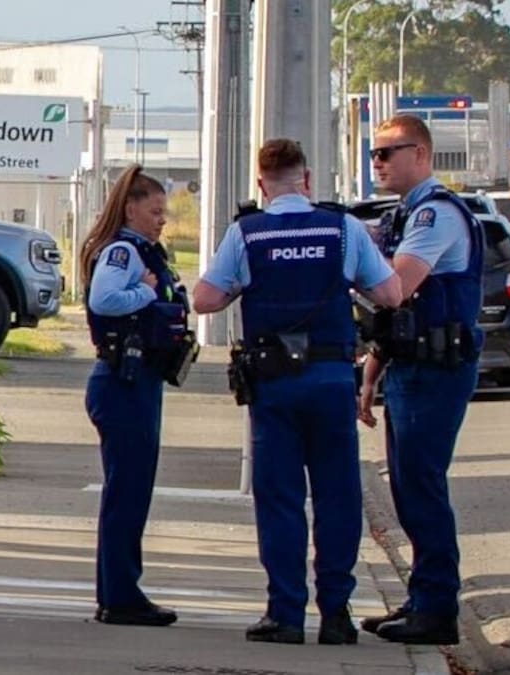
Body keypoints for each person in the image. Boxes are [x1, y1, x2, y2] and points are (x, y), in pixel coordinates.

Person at [193, 138, 402, 645]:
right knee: (337, 497)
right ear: (306, 180)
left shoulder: (247, 233)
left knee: (280, 500)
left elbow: (205, 299)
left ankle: (285, 614)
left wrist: (246, 284)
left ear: (261, 185)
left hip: (274, 387)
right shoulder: (341, 227)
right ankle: (336, 614)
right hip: (330, 381)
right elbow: (391, 293)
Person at [356, 114, 484, 646]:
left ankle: (436, 608)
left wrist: (351, 256)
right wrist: (371, 374)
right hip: (410, 365)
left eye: (388, 152)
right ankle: (421, 597)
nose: (378, 162)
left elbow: (397, 286)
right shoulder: (407, 214)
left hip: (436, 369)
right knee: (408, 488)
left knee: (421, 486)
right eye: (374, 153)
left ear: (422, 154)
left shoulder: (436, 215)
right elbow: (395, 316)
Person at [79, 164, 190, 627]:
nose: (162, 220)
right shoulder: (124, 252)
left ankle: (118, 592)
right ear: (130, 209)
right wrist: (146, 293)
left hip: (138, 381)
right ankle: (121, 596)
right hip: (122, 382)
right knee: (127, 493)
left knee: (131, 491)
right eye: (155, 211)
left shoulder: (144, 252)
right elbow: (104, 300)